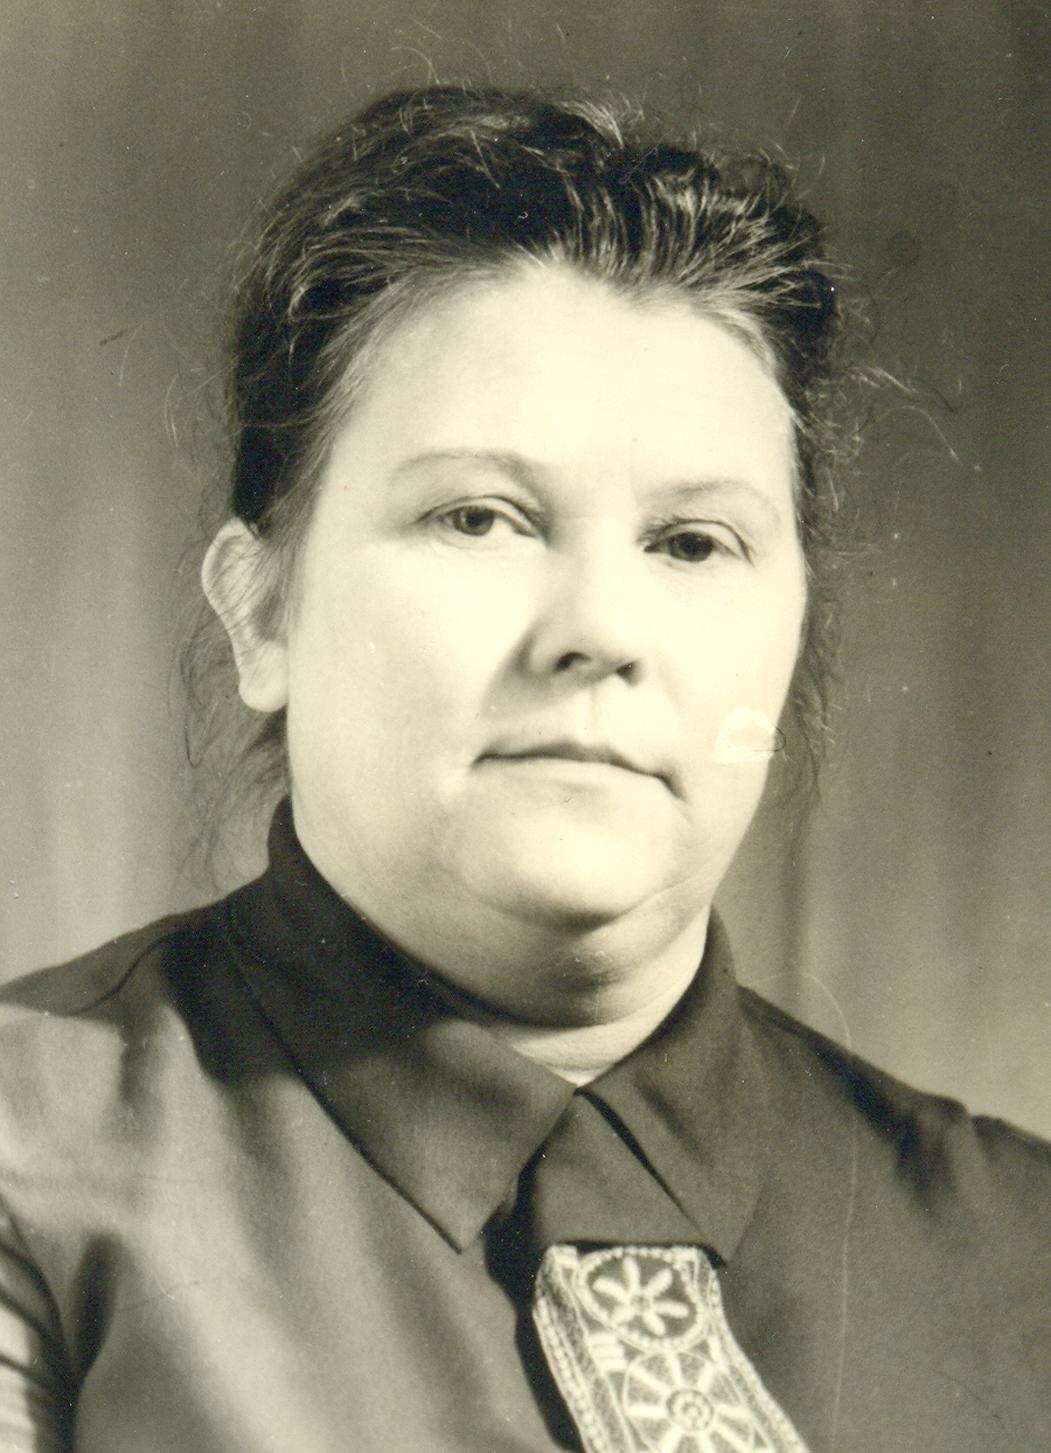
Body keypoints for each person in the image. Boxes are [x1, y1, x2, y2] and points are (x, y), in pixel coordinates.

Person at [0, 85, 1047, 1453]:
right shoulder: (28, 1161)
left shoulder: (1018, 1251)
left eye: (693, 543)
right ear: (261, 614)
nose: (599, 632)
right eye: (479, 518)